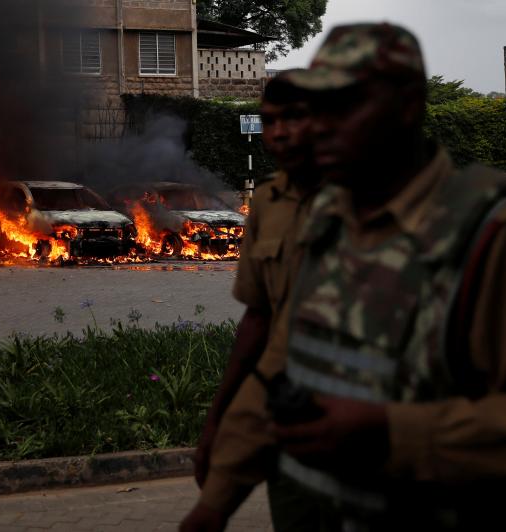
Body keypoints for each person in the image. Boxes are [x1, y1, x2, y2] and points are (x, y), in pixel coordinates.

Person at [183, 23, 506, 532]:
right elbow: (284, 366)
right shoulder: (327, 222)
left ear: (405, 109)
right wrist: (217, 500)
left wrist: (392, 432)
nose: (322, 128)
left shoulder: (494, 236)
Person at [191, 72, 324, 529]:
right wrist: (216, 425)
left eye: (295, 118)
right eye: (269, 121)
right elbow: (260, 322)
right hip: (294, 442)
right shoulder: (268, 203)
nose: (279, 133)